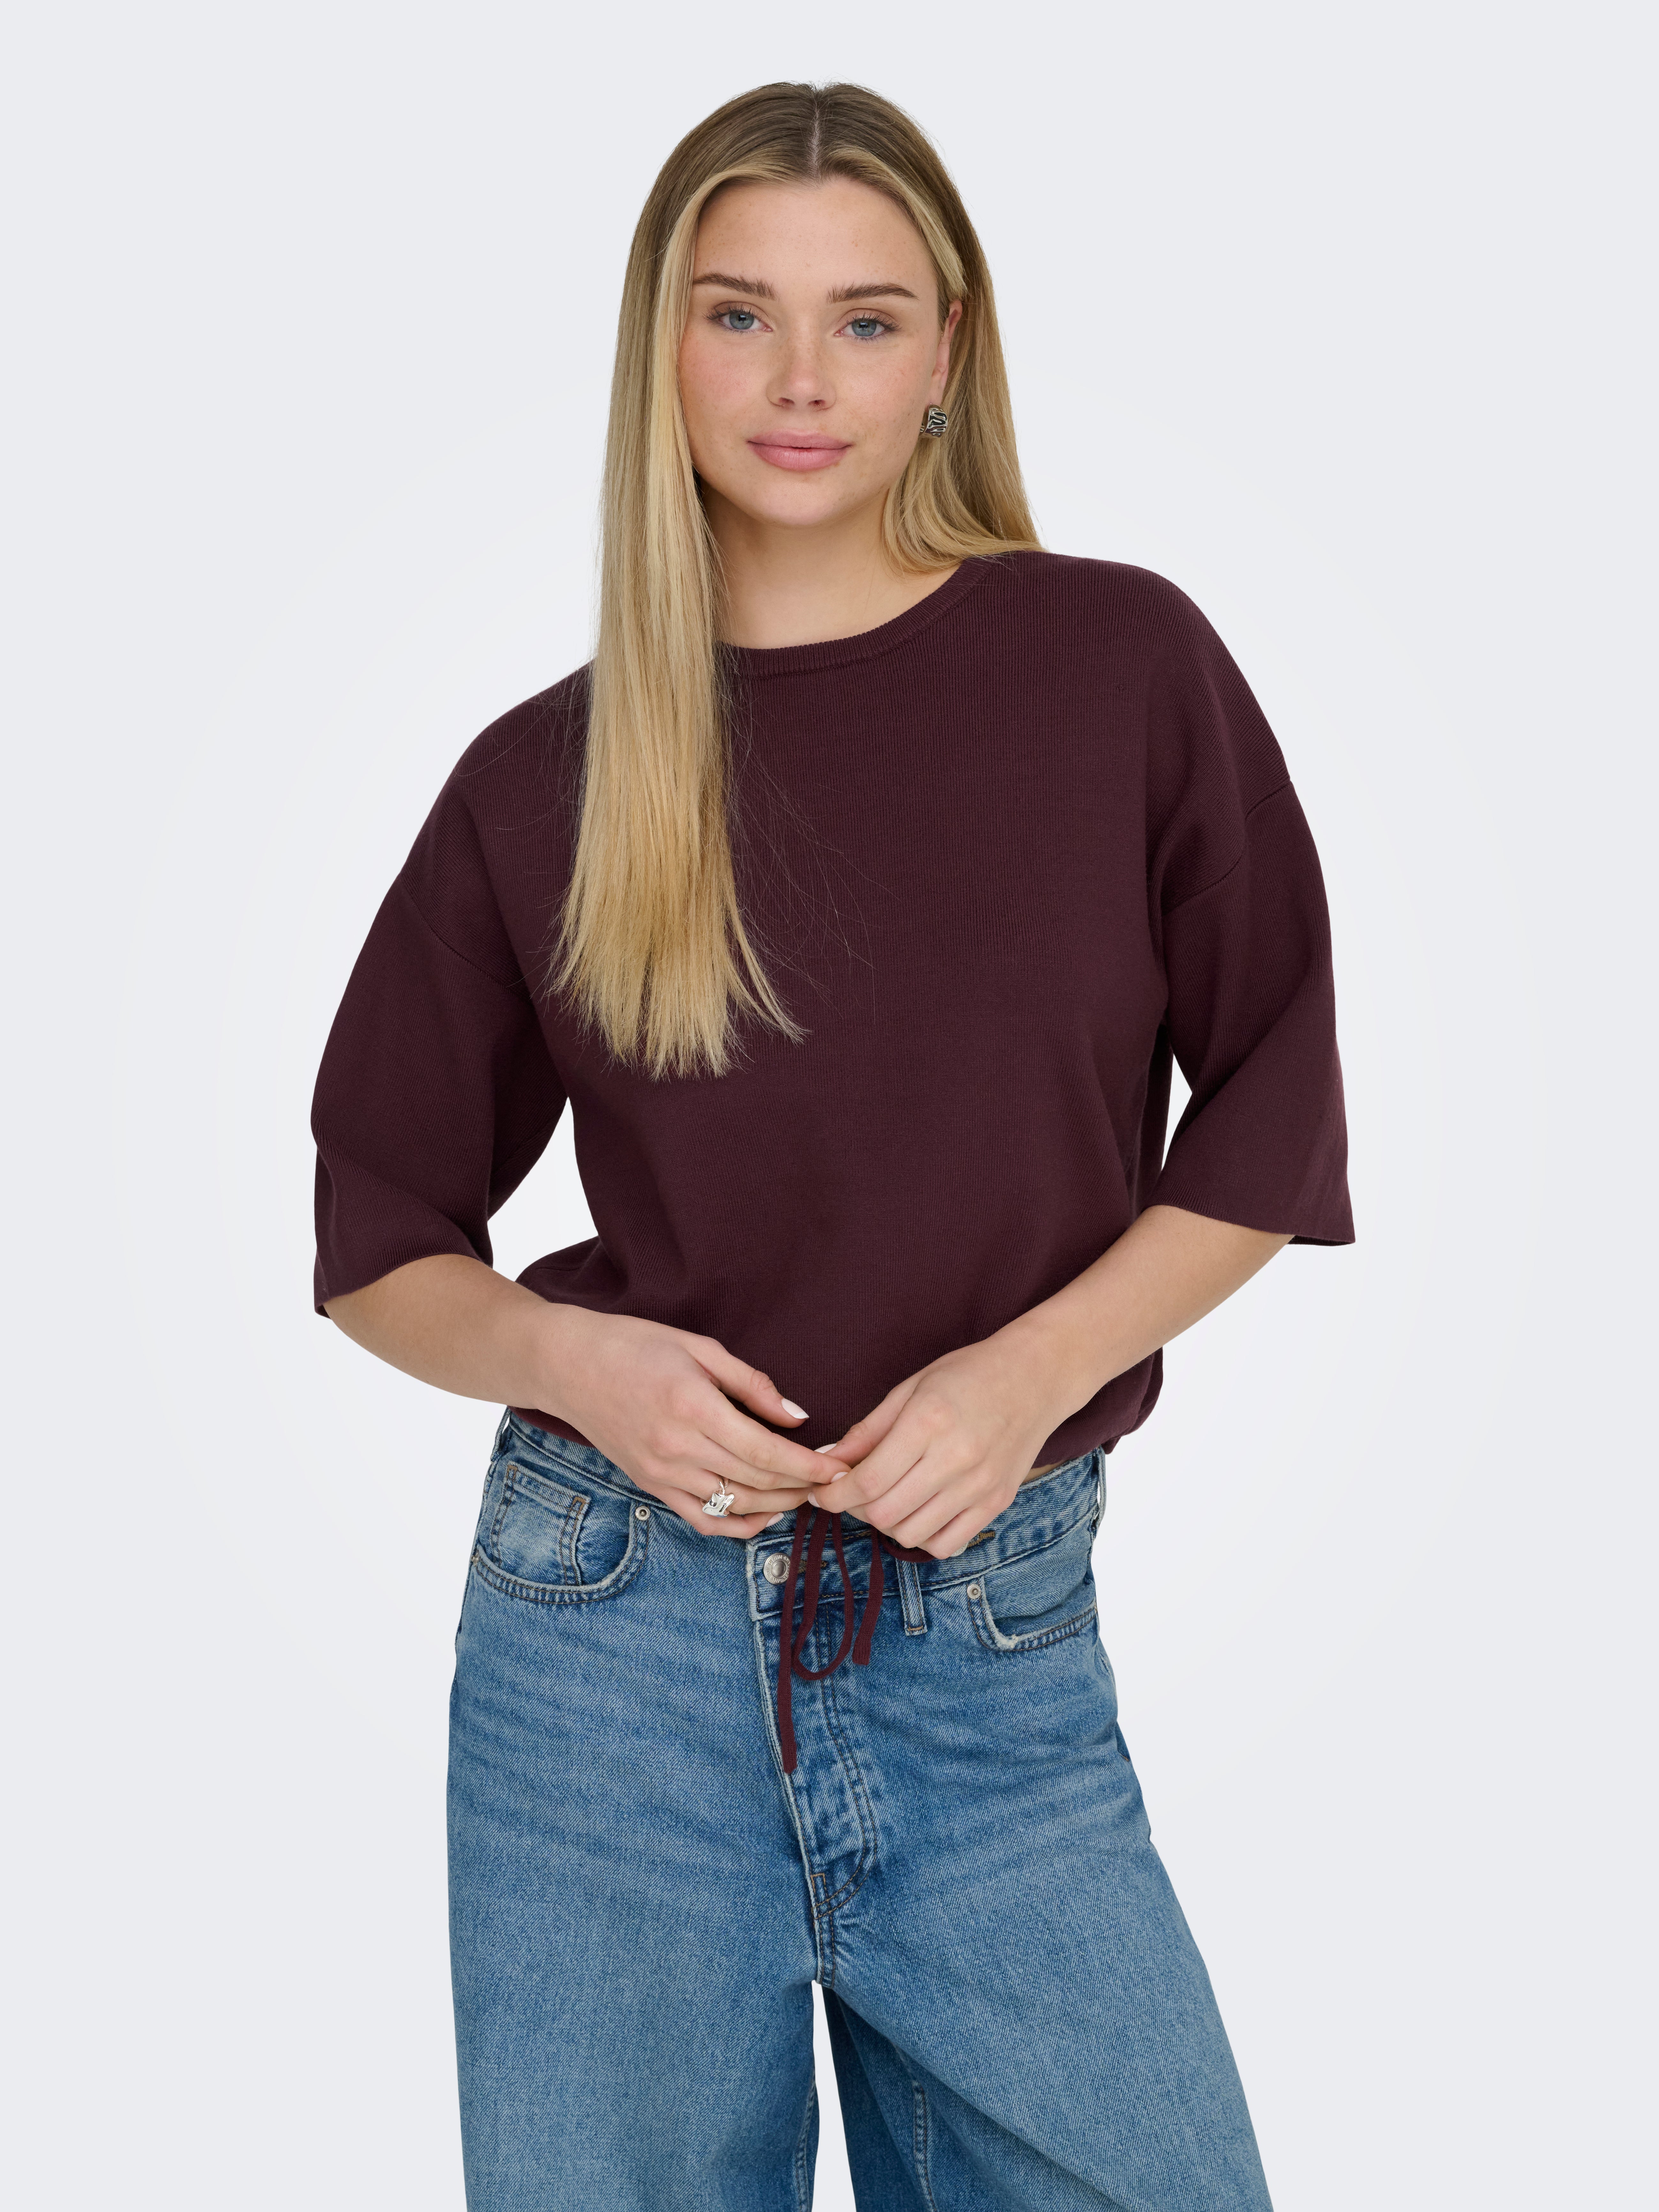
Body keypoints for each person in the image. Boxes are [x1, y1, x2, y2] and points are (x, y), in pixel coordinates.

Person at [311, 78, 1352, 2212]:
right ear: (661, 349)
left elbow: (1272, 1108)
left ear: (947, 351)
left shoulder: (1120, 666)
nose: (802, 380)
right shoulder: (549, 777)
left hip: (993, 1644)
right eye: (740, 315)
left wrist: (1027, 1375)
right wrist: (574, 1360)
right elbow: (377, 1234)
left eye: (865, 320)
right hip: (606, 1648)